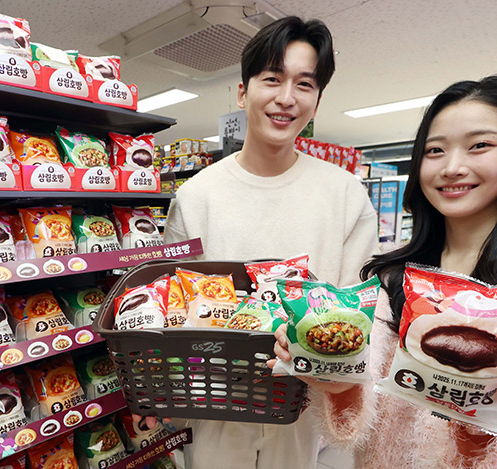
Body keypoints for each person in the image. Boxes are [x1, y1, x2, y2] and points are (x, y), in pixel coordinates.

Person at [272, 75, 497, 468]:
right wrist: (335, 379)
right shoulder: (389, 272)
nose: (452, 167)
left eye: (480, 145)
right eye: (435, 150)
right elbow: (352, 425)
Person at [162, 16, 380, 469]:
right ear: (243, 93)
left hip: (300, 407)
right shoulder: (197, 195)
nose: (286, 98)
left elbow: (362, 313)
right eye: (272, 79)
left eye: (304, 84)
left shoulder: (345, 195)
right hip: (214, 403)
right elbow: (171, 307)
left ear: (317, 101)